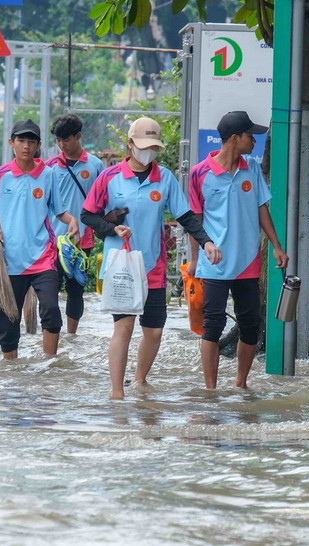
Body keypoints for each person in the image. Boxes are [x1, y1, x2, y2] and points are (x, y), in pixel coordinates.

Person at [82, 117, 220, 399]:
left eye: (153, 146)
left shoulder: (165, 178)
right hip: (120, 266)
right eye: (142, 145)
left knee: (154, 331)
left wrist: (206, 242)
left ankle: (139, 380)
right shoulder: (110, 177)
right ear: (130, 144)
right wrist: (112, 228)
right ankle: (117, 392)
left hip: (153, 266)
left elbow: (185, 217)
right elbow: (87, 214)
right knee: (124, 327)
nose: (148, 151)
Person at [188, 111, 289, 389]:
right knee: (212, 325)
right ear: (234, 138)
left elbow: (261, 209)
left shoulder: (252, 168)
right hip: (215, 263)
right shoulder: (200, 173)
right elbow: (194, 220)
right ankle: (210, 389)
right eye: (250, 135)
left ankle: (241, 383)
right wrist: (195, 259)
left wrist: (277, 247)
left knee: (251, 325)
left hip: (248, 261)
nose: (255, 140)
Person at [0, 119, 79, 359]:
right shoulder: (0, 175)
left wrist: (71, 220)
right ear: (11, 143)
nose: (26, 146)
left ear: (38, 145)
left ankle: (49, 363)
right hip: (8, 259)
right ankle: (11, 364)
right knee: (3, 314)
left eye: (31, 141)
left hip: (43, 256)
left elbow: (58, 209)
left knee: (51, 309)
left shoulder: (48, 174)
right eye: (21, 140)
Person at [45, 113, 106, 334]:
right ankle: (51, 334)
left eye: (66, 140)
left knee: (76, 290)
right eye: (58, 140)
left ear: (78, 136)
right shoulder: (50, 166)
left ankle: (71, 335)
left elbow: (103, 200)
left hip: (82, 239)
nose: (62, 145)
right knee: (49, 290)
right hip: (52, 240)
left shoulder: (96, 165)